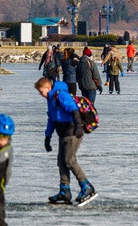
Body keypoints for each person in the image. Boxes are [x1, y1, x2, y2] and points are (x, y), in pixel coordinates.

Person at [38, 76, 98, 207]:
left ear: (48, 88)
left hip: (73, 131)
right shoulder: (51, 99)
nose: (40, 94)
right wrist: (47, 137)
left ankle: (86, 187)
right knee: (61, 162)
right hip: (63, 133)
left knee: (70, 161)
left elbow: (74, 110)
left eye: (41, 91)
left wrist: (78, 125)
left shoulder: (61, 95)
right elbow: (52, 119)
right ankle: (65, 191)